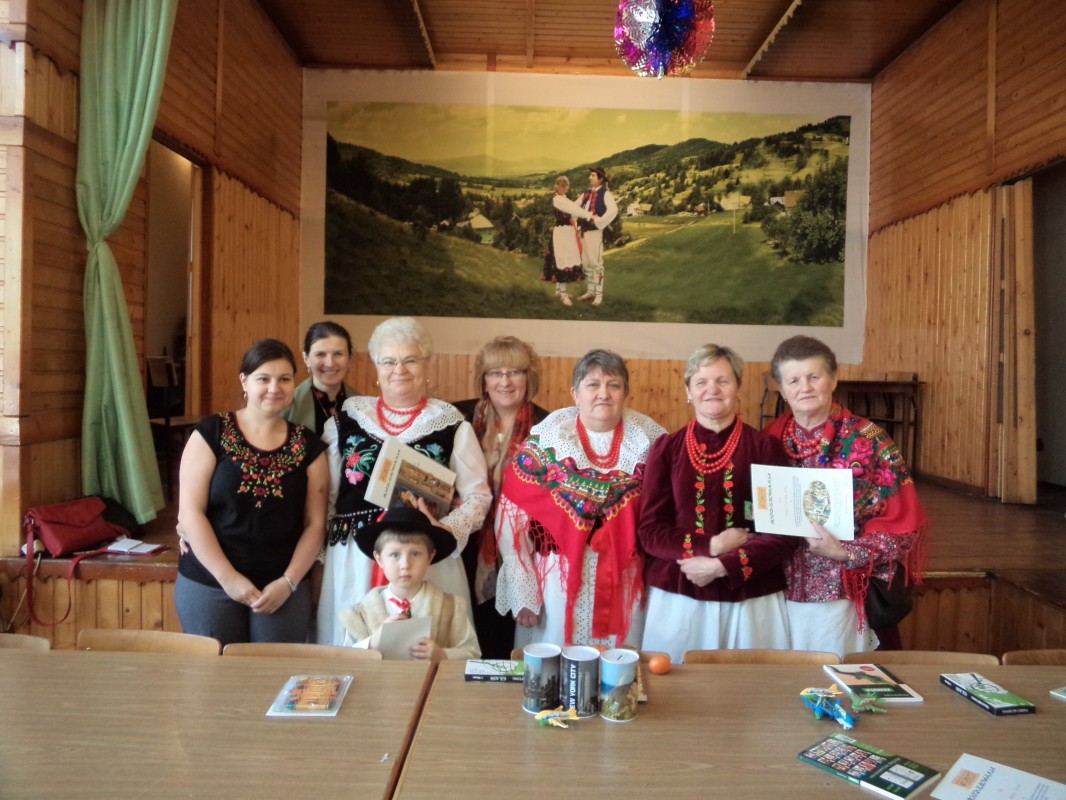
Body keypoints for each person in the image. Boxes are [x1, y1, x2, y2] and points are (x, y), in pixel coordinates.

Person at [318, 316, 492, 646]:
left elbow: (478, 497)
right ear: (376, 368)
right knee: (357, 650)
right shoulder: (347, 420)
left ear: (426, 365)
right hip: (356, 558)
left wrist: (444, 530)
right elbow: (326, 496)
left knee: (424, 650)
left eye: (410, 360)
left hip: (423, 557)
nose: (399, 369)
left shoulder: (452, 425)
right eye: (389, 361)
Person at [766, 335, 928, 655]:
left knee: (838, 676)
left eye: (814, 377)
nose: (805, 387)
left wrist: (845, 552)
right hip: (776, 593)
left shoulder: (870, 440)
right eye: (793, 380)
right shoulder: (767, 441)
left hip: (844, 594)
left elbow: (904, 527)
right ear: (782, 389)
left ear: (834, 379)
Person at [495, 349, 666, 650]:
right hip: (556, 584)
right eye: (593, 385)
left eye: (614, 385)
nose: (604, 394)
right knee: (556, 663)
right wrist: (524, 591)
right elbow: (513, 513)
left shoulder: (651, 440)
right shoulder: (547, 440)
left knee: (621, 666)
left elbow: (666, 511)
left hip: (626, 583)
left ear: (625, 393)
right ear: (575, 394)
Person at [638, 345, 800, 663]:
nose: (711, 389)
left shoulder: (765, 448)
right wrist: (711, 546)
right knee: (676, 689)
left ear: (738, 388)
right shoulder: (666, 449)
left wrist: (723, 566)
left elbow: (784, 535)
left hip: (751, 597)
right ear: (688, 391)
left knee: (750, 688)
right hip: (680, 594)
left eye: (722, 381)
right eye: (701, 382)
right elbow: (650, 532)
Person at [174, 339, 329, 647]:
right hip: (210, 581)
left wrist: (289, 582)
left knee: (275, 674)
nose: (274, 388)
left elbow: (315, 524)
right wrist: (229, 579)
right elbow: (190, 514)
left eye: (284, 379)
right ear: (244, 381)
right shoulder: (211, 432)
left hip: (282, 587)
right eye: (263, 379)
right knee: (214, 672)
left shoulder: (309, 446)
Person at [453, 336, 550, 657]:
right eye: (495, 373)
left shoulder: (548, 427)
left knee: (512, 646)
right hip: (466, 546)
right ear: (484, 379)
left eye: (514, 372)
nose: (505, 382)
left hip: (525, 552)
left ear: (529, 377)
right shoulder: (459, 418)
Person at [339, 507, 480, 660]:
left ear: (430, 557)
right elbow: (345, 659)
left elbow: (472, 654)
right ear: (379, 559)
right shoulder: (361, 614)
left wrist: (443, 655)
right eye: (395, 555)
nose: (405, 564)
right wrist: (373, 642)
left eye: (415, 554)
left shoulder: (451, 608)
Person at [283, 321, 356, 436]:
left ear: (349, 358)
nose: (330, 363)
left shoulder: (363, 405)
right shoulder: (286, 405)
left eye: (338, 354)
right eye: (320, 354)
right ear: (306, 359)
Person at [540, 176, 593, 307]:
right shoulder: (557, 199)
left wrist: (586, 194)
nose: (564, 188)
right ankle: (563, 293)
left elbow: (573, 206)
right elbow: (573, 208)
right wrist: (589, 215)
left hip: (567, 232)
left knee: (563, 258)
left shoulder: (563, 199)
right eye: (562, 185)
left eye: (566, 185)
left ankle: (559, 291)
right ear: (556, 186)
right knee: (562, 260)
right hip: (562, 233)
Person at [576, 166, 618, 307]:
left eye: (593, 175)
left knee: (596, 264)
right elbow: (575, 207)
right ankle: (590, 291)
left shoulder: (605, 194)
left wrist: (599, 221)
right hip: (583, 231)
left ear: (600, 179)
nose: (590, 177)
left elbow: (613, 210)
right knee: (586, 262)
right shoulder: (586, 192)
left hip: (595, 233)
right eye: (590, 175)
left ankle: (598, 295)